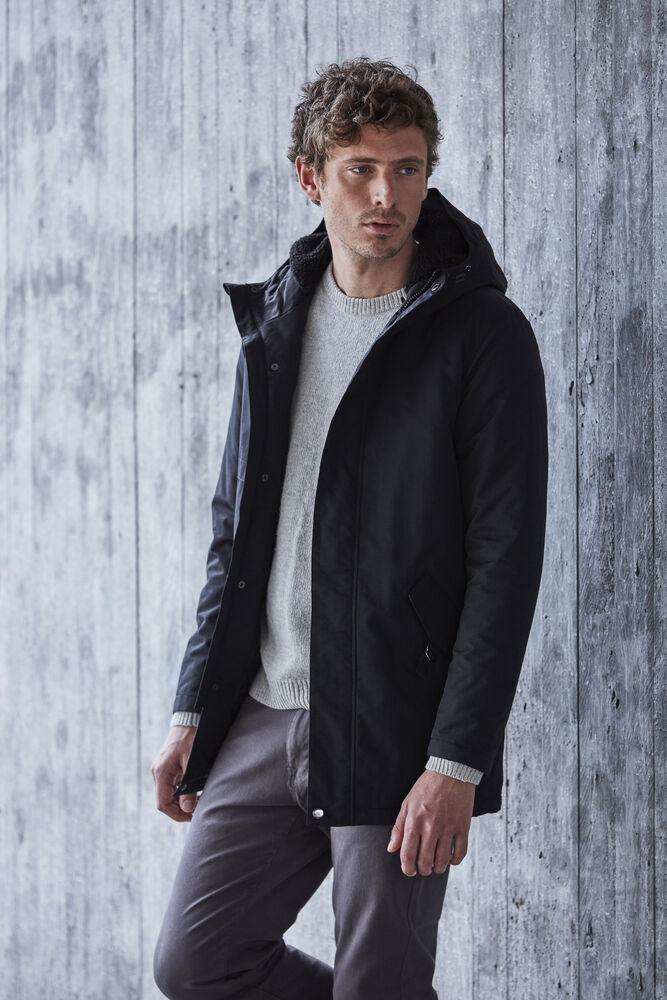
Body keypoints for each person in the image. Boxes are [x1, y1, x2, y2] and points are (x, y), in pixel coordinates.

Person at [151, 56, 548, 1000]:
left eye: (407, 169)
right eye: (359, 169)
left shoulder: (481, 334)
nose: (385, 195)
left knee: (381, 982)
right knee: (196, 965)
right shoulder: (276, 322)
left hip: (394, 725)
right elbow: (234, 534)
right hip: (264, 711)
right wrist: (192, 710)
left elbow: (505, 561)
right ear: (309, 176)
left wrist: (455, 761)